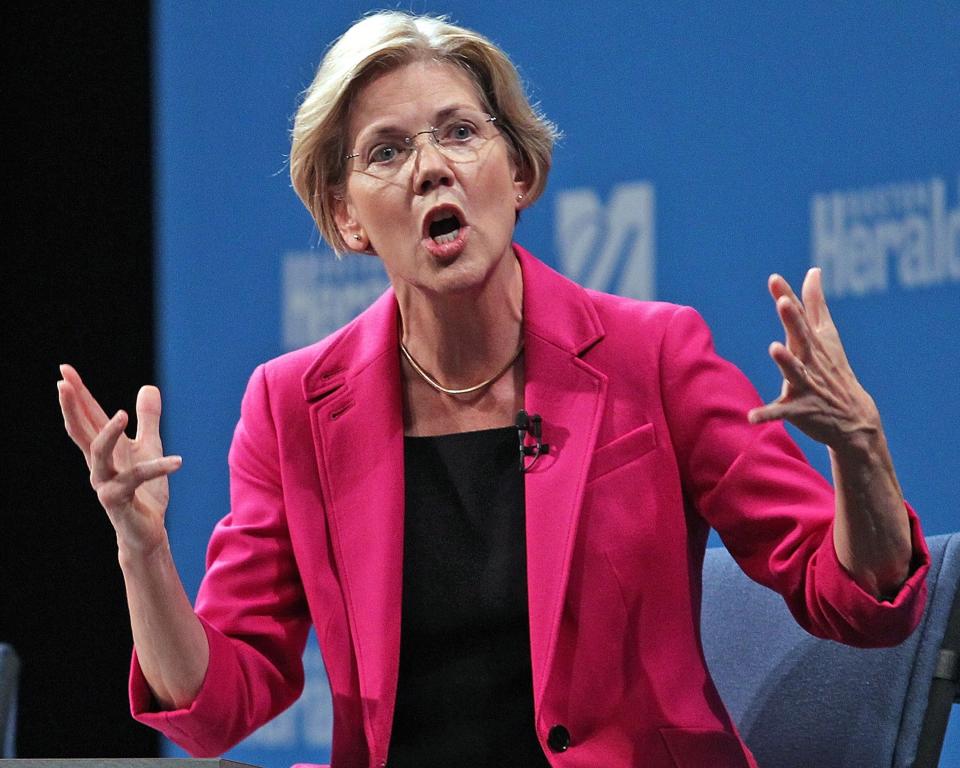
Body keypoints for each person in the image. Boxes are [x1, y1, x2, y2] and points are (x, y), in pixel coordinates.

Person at [57, 11, 929, 768]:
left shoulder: (650, 355)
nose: (430, 168)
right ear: (347, 217)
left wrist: (859, 448)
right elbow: (216, 709)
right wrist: (142, 551)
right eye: (387, 151)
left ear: (519, 175)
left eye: (460, 132)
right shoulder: (293, 407)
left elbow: (860, 600)